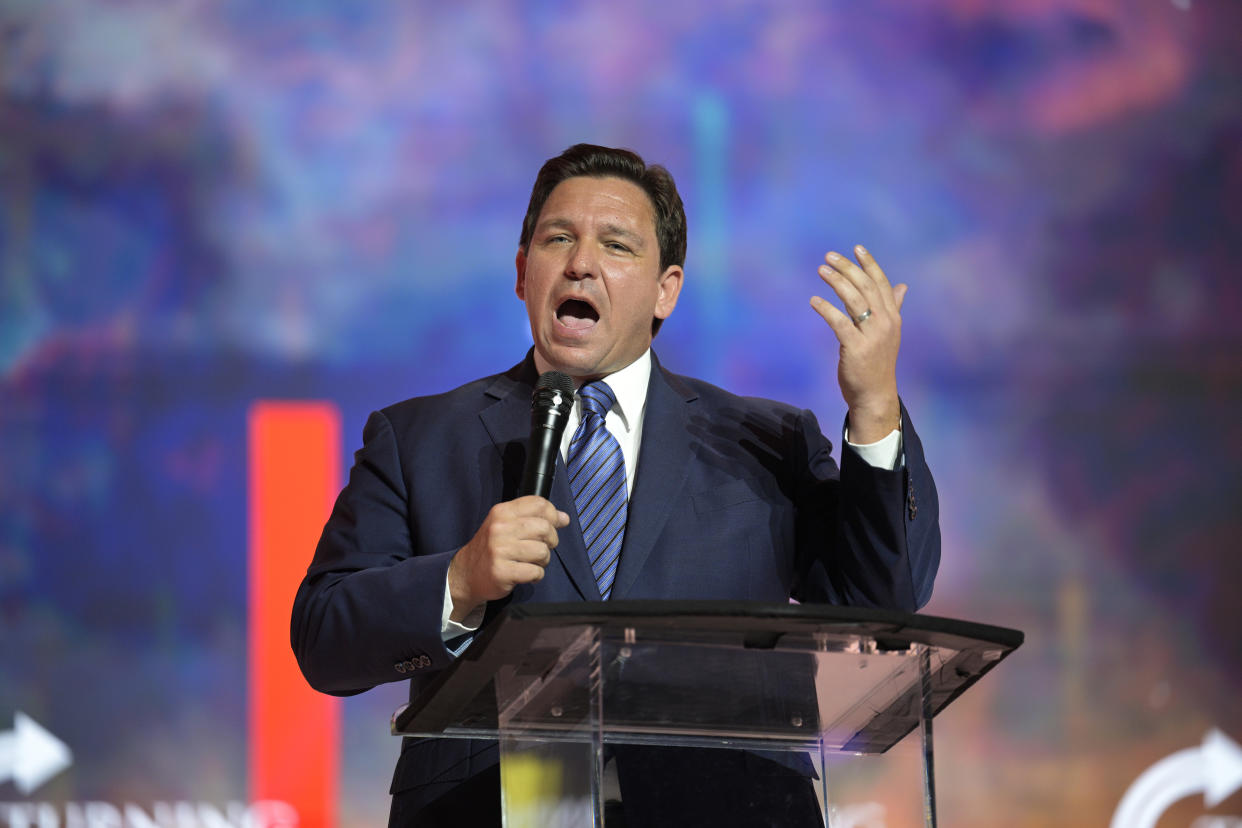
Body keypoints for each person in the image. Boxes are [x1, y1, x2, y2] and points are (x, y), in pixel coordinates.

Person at [291, 144, 940, 827]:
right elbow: (324, 640)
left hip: (730, 805)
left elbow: (882, 601)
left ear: (666, 289)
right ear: (522, 272)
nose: (580, 262)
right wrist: (458, 580)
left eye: (617, 244)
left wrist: (874, 411)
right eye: (558, 238)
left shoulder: (766, 442)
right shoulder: (419, 438)